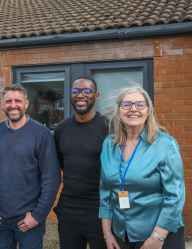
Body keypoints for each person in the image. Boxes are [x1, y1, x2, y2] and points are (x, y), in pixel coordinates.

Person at [99, 84, 185, 249]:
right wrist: (107, 234)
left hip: (160, 234)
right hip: (121, 234)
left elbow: (175, 196)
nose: (133, 109)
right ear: (118, 111)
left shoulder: (165, 144)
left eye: (140, 104)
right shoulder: (109, 144)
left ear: (148, 111)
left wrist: (157, 237)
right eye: (126, 104)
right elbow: (105, 192)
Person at [0, 84, 61, 249]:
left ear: (26, 104)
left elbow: (51, 179)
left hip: (28, 220)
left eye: (18, 101)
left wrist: (37, 215)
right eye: (8, 101)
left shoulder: (41, 134)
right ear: (2, 104)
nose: (13, 105)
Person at [53, 76, 108, 249]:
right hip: (69, 208)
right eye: (75, 91)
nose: (80, 96)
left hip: (100, 209)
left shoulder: (109, 127)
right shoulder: (61, 128)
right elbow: (62, 163)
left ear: (96, 95)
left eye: (86, 91)